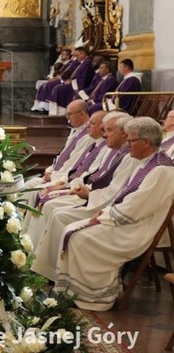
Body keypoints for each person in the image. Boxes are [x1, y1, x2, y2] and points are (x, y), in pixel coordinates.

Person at [54, 117, 174, 311]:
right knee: (72, 230)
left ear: (145, 142)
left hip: (137, 229)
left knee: (80, 238)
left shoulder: (161, 170)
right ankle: (72, 292)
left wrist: (105, 215)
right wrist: (106, 211)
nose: (127, 145)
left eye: (130, 141)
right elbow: (129, 199)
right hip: (128, 220)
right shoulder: (148, 162)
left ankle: (93, 298)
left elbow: (136, 208)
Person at [30, 112, 135, 282]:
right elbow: (94, 174)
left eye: (108, 130)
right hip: (94, 196)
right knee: (50, 205)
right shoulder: (119, 152)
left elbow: (116, 192)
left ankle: (49, 270)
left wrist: (88, 194)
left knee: (57, 213)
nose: (105, 134)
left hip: (103, 206)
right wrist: (78, 187)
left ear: (124, 133)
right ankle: (37, 258)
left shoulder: (129, 157)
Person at [24, 110, 109, 246]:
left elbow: (90, 175)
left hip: (86, 194)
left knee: (46, 201)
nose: (88, 126)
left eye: (92, 123)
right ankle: (27, 238)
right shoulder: (95, 143)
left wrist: (64, 183)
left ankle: (36, 246)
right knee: (32, 188)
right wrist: (54, 173)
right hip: (74, 184)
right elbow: (70, 162)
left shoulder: (103, 146)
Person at [48, 47, 94, 115]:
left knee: (58, 89)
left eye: (77, 55)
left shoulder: (87, 63)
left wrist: (71, 82)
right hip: (74, 83)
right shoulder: (82, 62)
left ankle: (59, 113)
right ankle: (55, 112)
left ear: (83, 54)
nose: (76, 57)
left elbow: (83, 78)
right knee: (57, 88)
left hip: (79, 86)